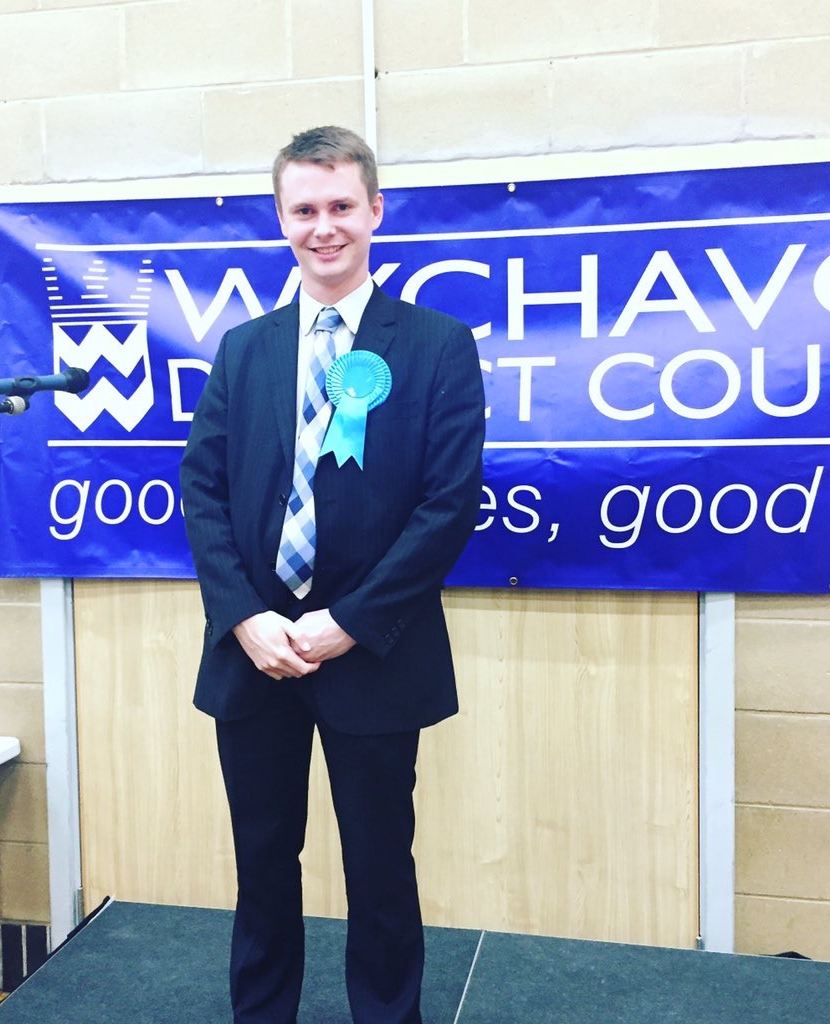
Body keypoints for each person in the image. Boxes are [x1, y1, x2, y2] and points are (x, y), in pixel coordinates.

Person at [180, 125, 485, 1024]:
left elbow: (447, 506)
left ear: (375, 210)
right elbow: (202, 489)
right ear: (281, 218)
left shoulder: (436, 344)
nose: (324, 227)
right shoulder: (246, 348)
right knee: (262, 864)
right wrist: (245, 617)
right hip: (257, 653)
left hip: (374, 653)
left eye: (341, 206)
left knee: (381, 869)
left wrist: (347, 621)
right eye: (304, 209)